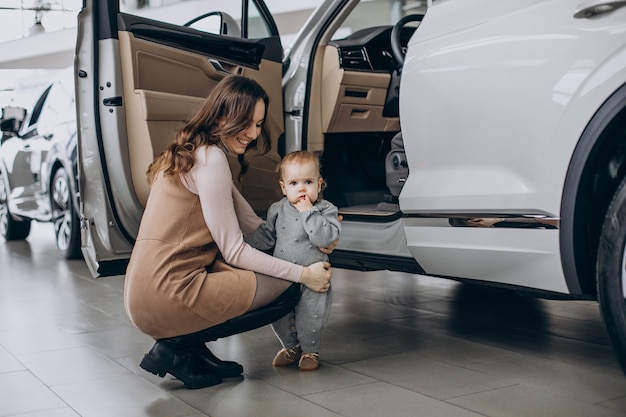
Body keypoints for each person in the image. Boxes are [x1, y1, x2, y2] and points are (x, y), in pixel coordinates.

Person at [123, 75, 333, 390]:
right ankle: (176, 348)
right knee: (289, 287)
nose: (253, 133)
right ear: (222, 115)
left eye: (259, 124)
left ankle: (192, 350)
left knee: (269, 269)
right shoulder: (211, 160)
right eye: (246, 122)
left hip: (147, 290)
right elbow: (235, 250)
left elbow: (250, 221)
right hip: (167, 294)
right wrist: (305, 273)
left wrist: (311, 228)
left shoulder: (196, 150)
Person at [245, 151, 341, 371]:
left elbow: (324, 238)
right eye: (294, 183)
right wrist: (244, 241)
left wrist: (308, 212)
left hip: (314, 278)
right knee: (279, 315)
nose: (301, 189)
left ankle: (310, 350)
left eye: (308, 182)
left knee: (310, 317)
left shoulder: (326, 210)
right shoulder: (277, 209)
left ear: (319, 184)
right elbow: (268, 236)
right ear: (283, 187)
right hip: (283, 275)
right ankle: (291, 346)